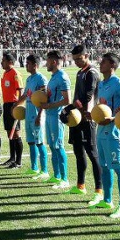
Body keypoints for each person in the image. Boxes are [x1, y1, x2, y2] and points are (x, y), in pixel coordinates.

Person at [95, 52, 120, 218]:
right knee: (104, 166)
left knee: (118, 167)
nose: (100, 64)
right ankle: (107, 199)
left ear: (112, 66)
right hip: (101, 130)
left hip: (114, 132)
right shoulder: (102, 84)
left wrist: (117, 116)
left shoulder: (118, 83)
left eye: (103, 62)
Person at [69, 45, 103, 200]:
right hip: (77, 117)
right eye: (74, 59)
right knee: (78, 151)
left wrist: (75, 109)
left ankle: (99, 190)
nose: (76, 61)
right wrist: (69, 109)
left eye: (79, 58)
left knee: (92, 153)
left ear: (87, 55)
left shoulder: (92, 72)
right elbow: (77, 96)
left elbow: (88, 96)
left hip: (87, 118)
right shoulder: (79, 72)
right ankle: (80, 185)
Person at [41, 50, 71, 189]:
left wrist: (50, 105)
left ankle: (64, 179)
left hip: (57, 117)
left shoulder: (62, 77)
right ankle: (57, 175)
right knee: (52, 146)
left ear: (53, 61)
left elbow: (67, 100)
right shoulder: (53, 77)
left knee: (58, 146)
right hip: (49, 115)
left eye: (47, 60)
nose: (45, 63)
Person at [18, 54, 49, 180]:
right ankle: (34, 167)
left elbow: (44, 99)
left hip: (37, 115)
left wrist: (40, 115)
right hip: (28, 114)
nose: (26, 65)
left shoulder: (41, 79)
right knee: (31, 142)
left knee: (40, 143)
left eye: (28, 64)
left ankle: (44, 170)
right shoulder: (29, 79)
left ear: (35, 65)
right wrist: (15, 105)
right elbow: (25, 95)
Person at [0, 52, 24, 167]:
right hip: (6, 104)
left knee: (16, 133)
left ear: (10, 62)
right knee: (9, 131)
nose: (1, 63)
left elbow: (21, 91)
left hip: (14, 105)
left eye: (3, 60)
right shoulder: (5, 73)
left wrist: (18, 105)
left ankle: (18, 161)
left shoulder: (15, 74)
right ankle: (12, 158)